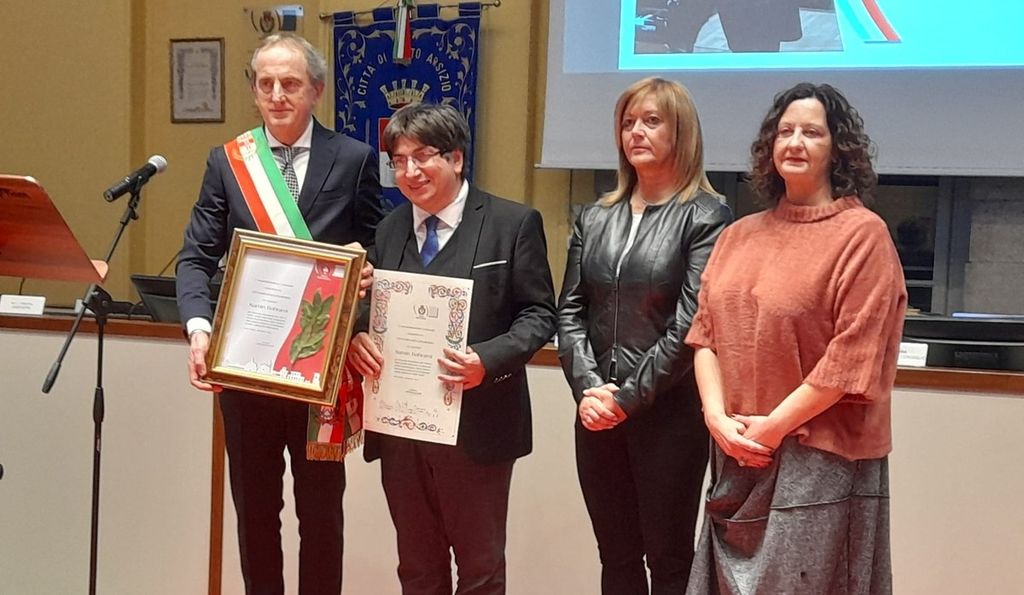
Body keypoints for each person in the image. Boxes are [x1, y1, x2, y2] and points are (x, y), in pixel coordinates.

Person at [175, 33, 384, 595]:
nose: (276, 95)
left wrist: (364, 294)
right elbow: (194, 258)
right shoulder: (228, 162)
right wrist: (199, 329)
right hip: (248, 370)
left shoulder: (354, 159)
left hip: (320, 370)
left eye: (290, 83)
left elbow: (379, 253)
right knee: (255, 514)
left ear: (316, 90)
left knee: (321, 515)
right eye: (265, 84)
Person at [684, 82, 906, 594]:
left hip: (819, 459)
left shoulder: (863, 236)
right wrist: (716, 419)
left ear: (838, 149)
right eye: (785, 131)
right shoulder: (737, 236)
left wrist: (773, 428)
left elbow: (850, 360)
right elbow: (705, 337)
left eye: (812, 132)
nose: (795, 142)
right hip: (736, 451)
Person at [346, 103, 557, 595]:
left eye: (422, 156)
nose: (410, 171)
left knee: (480, 571)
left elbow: (539, 314)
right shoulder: (389, 229)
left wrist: (488, 361)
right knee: (417, 569)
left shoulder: (512, 223)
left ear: (456, 158)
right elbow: (371, 305)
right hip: (401, 429)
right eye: (399, 161)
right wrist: (357, 334)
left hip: (477, 426)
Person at [557, 77, 732, 593]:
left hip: (669, 416)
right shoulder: (595, 216)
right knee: (616, 557)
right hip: (597, 412)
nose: (636, 132)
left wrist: (626, 399)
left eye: (651, 121)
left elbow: (690, 324)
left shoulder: (706, 215)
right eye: (628, 122)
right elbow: (570, 311)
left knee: (669, 560)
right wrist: (590, 390)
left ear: (681, 132)